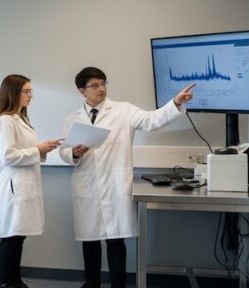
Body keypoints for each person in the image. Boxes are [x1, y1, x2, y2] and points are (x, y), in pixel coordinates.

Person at [59, 67, 194, 288]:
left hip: (114, 185)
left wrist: (175, 103)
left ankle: (118, 284)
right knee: (89, 239)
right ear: (81, 91)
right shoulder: (72, 118)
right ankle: (91, 282)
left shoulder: (123, 110)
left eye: (104, 83)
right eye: (95, 85)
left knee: (115, 239)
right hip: (87, 185)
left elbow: (152, 120)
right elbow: (64, 150)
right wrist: (73, 153)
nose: (101, 89)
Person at [0, 74, 59, 288]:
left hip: (22, 185)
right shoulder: (4, 122)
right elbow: (8, 155)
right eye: (26, 92)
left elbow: (24, 150)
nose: (30, 96)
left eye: (31, 91)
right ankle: (6, 282)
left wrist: (43, 148)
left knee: (17, 236)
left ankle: (14, 280)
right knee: (11, 236)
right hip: (12, 189)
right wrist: (38, 149)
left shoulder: (21, 119)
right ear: (12, 93)